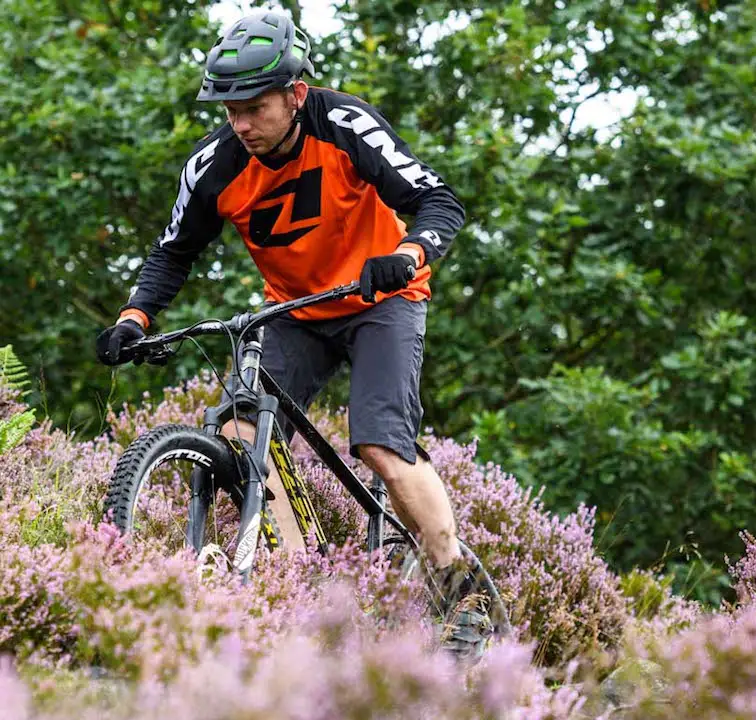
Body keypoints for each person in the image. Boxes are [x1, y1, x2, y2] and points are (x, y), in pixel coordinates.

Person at [94, 11, 481, 657]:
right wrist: (135, 318)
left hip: (381, 298)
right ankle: (297, 584)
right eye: (228, 110)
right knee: (238, 436)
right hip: (295, 310)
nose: (240, 124)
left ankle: (457, 584)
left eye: (253, 107)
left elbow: (440, 201)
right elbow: (173, 253)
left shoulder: (343, 124)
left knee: (381, 445)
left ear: (295, 94)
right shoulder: (215, 165)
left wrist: (410, 253)